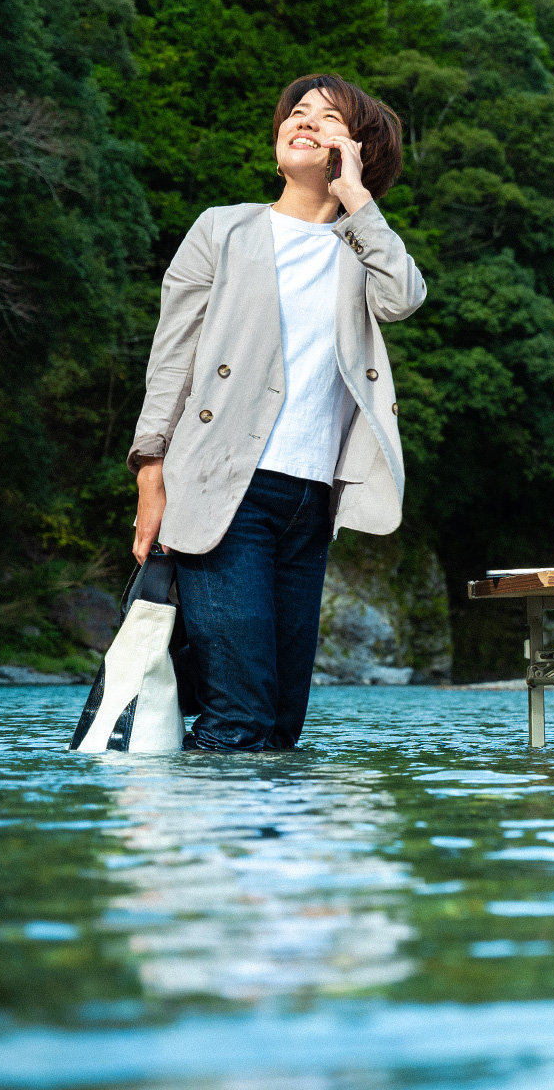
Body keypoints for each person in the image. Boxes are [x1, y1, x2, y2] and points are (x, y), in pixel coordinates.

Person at [127, 74, 426, 751]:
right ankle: (204, 854)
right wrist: (151, 473)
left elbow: (404, 298)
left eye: (328, 118)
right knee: (239, 717)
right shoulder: (222, 230)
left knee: (281, 725)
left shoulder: (361, 251)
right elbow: (171, 362)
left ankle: (268, 856)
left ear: (358, 149)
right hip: (225, 490)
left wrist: (356, 199)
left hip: (311, 505)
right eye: (297, 111)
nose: (305, 120)